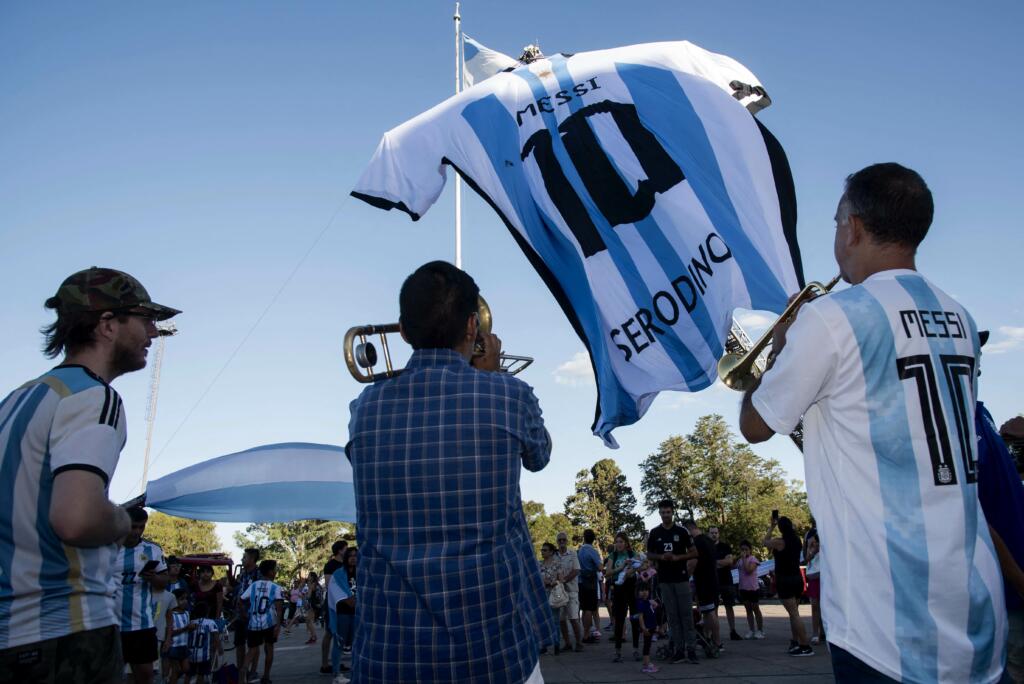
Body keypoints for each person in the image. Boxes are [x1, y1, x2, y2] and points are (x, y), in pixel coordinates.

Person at [740, 163, 1007, 681]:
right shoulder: (963, 318)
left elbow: (756, 425)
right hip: (974, 599)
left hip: (884, 615)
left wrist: (777, 354)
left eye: (837, 221)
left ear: (854, 227)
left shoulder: (832, 317)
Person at [346, 261, 555, 683]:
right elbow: (540, 456)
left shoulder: (364, 408)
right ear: (473, 327)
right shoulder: (508, 394)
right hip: (493, 655)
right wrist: (492, 376)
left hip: (389, 656)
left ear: (403, 331)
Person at [0, 266, 178, 683]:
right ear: (108, 325)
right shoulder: (96, 397)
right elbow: (76, 518)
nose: (153, 333)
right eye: (145, 320)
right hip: (70, 632)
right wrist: (118, 519)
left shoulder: (15, 402)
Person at [976, 401, 1024, 682]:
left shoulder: (982, 413)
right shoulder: (958, 419)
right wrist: (1018, 579)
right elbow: (975, 516)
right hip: (1009, 593)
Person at [116, 507, 171, 683]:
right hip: (111, 624)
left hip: (141, 624)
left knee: (145, 675)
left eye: (141, 527)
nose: (137, 531)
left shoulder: (152, 550)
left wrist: (154, 578)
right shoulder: (108, 547)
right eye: (133, 526)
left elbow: (165, 581)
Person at [645, 499, 698, 665]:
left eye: (668, 512)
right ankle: (679, 650)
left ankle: (691, 649)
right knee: (672, 617)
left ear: (672, 512)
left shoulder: (681, 531)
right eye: (663, 512)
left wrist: (678, 557)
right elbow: (649, 554)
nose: (665, 515)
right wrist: (661, 557)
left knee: (687, 615)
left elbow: (694, 552)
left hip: (681, 578)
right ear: (659, 513)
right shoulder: (655, 533)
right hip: (665, 579)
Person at [763, 515, 811, 656]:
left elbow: (765, 542)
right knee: (793, 613)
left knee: (794, 614)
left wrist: (771, 526)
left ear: (780, 528)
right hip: (797, 578)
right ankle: (795, 641)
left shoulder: (780, 542)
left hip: (785, 580)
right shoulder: (797, 540)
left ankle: (805, 646)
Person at [240, 559, 284, 684]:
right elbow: (279, 609)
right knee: (269, 649)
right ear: (270, 572)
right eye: (275, 570)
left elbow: (241, 599)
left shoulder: (253, 585)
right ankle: (266, 676)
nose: (276, 572)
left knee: (252, 650)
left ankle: (243, 671)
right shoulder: (276, 587)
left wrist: (245, 614)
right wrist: (278, 626)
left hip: (253, 623)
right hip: (269, 623)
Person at [685, 520, 720, 657]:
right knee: (707, 612)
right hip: (713, 580)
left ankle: (717, 642)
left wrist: (685, 577)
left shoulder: (697, 543)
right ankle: (708, 639)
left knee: (710, 613)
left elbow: (692, 564)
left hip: (704, 582)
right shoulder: (709, 540)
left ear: (689, 530)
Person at [604, 532, 639, 664]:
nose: (618, 544)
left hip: (631, 587)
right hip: (619, 588)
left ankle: (636, 649)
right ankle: (618, 651)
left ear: (626, 543)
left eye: (621, 542)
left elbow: (641, 566)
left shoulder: (632, 554)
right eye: (617, 541)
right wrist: (621, 567)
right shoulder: (613, 555)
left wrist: (633, 569)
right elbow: (607, 573)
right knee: (619, 619)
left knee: (635, 618)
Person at [328, 548, 358, 684]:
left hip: (358, 612)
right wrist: (347, 598)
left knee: (356, 642)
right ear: (346, 558)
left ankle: (357, 670)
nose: (353, 558)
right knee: (339, 642)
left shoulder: (362, 573)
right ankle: (336, 674)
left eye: (355, 556)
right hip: (344, 612)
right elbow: (333, 589)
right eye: (350, 556)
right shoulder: (338, 573)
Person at [708, 526, 742, 642]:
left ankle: (733, 631)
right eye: (712, 533)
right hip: (713, 582)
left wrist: (715, 563)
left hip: (726, 580)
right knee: (714, 608)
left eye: (716, 533)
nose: (714, 535)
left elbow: (729, 561)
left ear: (719, 534)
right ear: (708, 534)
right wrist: (721, 563)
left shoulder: (725, 547)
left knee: (729, 606)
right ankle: (714, 634)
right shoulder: (706, 547)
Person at [320, 540, 348, 675]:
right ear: (339, 551)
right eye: (346, 549)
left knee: (341, 633)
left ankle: (336, 661)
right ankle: (324, 664)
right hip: (333, 603)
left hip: (346, 602)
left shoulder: (347, 564)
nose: (348, 552)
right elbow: (329, 584)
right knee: (330, 632)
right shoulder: (331, 565)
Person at [233, 548, 262, 675]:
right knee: (239, 643)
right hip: (240, 614)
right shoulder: (243, 574)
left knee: (253, 645)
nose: (242, 559)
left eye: (244, 557)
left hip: (253, 615)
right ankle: (241, 670)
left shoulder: (258, 574)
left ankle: (253, 671)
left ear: (252, 559)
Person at [555, 531, 584, 652]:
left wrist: (564, 580)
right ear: (557, 542)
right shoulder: (554, 556)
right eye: (559, 540)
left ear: (567, 541)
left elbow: (576, 570)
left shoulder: (572, 554)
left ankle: (578, 642)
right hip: (559, 592)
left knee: (573, 618)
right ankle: (567, 643)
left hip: (571, 591)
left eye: (563, 540)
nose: (562, 542)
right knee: (561, 620)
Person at [577, 529, 603, 643]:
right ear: (593, 539)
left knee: (584, 608)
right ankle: (587, 634)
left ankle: (585, 632)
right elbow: (600, 567)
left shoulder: (579, 551)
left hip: (580, 581)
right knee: (589, 609)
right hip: (590, 582)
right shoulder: (592, 551)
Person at [185, 602, 221, 684]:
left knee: (189, 674)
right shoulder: (210, 623)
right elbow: (216, 637)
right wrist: (219, 648)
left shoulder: (191, 623)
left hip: (191, 654)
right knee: (201, 674)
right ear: (207, 612)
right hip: (204, 655)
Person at [539, 543, 564, 657]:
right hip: (542, 594)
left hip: (553, 593)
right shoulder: (539, 564)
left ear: (551, 552)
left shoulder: (557, 564)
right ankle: (543, 645)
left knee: (555, 621)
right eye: (542, 550)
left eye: (545, 550)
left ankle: (556, 645)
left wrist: (552, 582)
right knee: (542, 621)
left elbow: (561, 579)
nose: (542, 552)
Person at [162, 589, 192, 684]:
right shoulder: (170, 615)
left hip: (184, 645)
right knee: (176, 670)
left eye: (186, 598)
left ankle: (170, 680)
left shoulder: (187, 613)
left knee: (187, 669)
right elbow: (169, 632)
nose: (185, 601)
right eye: (181, 599)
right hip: (174, 646)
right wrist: (185, 628)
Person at [736, 541, 764, 639]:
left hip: (753, 588)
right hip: (743, 588)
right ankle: (751, 629)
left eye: (746, 549)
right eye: (742, 549)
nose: (744, 551)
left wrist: (744, 559)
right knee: (748, 609)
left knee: (755, 608)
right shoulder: (739, 561)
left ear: (750, 550)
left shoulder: (753, 560)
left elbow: (748, 570)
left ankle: (760, 630)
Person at [805, 532, 824, 645]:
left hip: (825, 577)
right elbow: (807, 559)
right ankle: (815, 633)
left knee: (825, 606)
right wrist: (812, 549)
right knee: (815, 605)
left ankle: (823, 632)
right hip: (814, 577)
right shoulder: (811, 547)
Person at [635, 583, 659, 674]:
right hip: (647, 628)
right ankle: (646, 664)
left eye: (646, 590)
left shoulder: (647, 601)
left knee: (648, 645)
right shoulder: (641, 603)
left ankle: (647, 663)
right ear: (638, 592)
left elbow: (653, 609)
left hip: (651, 626)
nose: (644, 592)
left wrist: (654, 605)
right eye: (642, 591)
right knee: (647, 646)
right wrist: (643, 628)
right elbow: (640, 617)